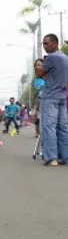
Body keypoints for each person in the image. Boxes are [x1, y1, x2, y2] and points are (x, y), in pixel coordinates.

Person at [35, 34, 68, 166]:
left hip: (50, 96)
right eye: (43, 43)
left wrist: (39, 68)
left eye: (46, 43)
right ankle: (65, 156)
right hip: (61, 95)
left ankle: (51, 157)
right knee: (63, 127)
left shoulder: (51, 57)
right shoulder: (65, 57)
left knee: (48, 127)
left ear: (55, 43)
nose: (44, 46)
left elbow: (39, 73)